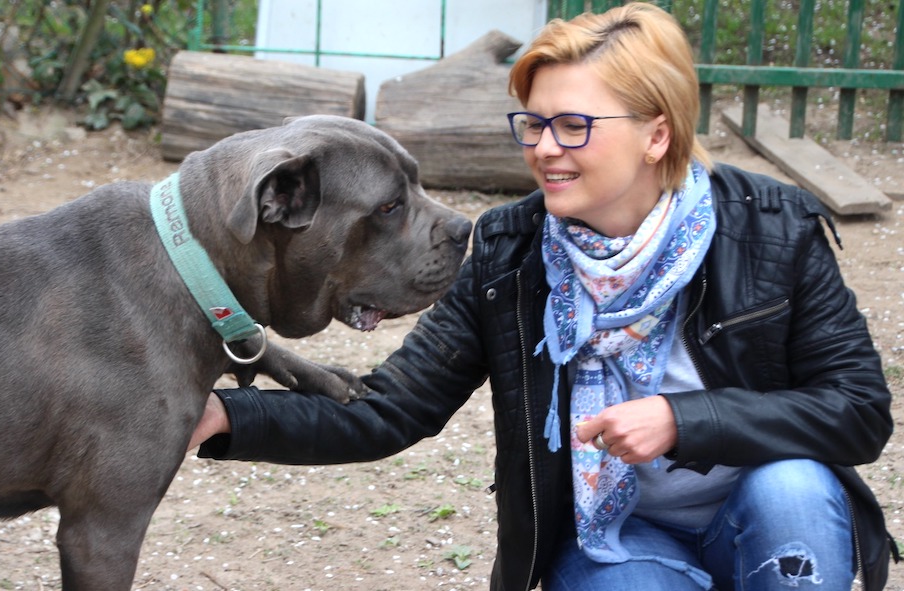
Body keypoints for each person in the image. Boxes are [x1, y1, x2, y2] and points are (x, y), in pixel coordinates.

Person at [189, 3, 896, 589]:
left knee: (794, 490)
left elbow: (858, 409)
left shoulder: (770, 227)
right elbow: (391, 409)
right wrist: (229, 415)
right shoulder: (511, 251)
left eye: (574, 126)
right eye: (534, 123)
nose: (545, 148)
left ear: (656, 135)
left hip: (759, 515)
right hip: (618, 538)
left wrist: (683, 419)